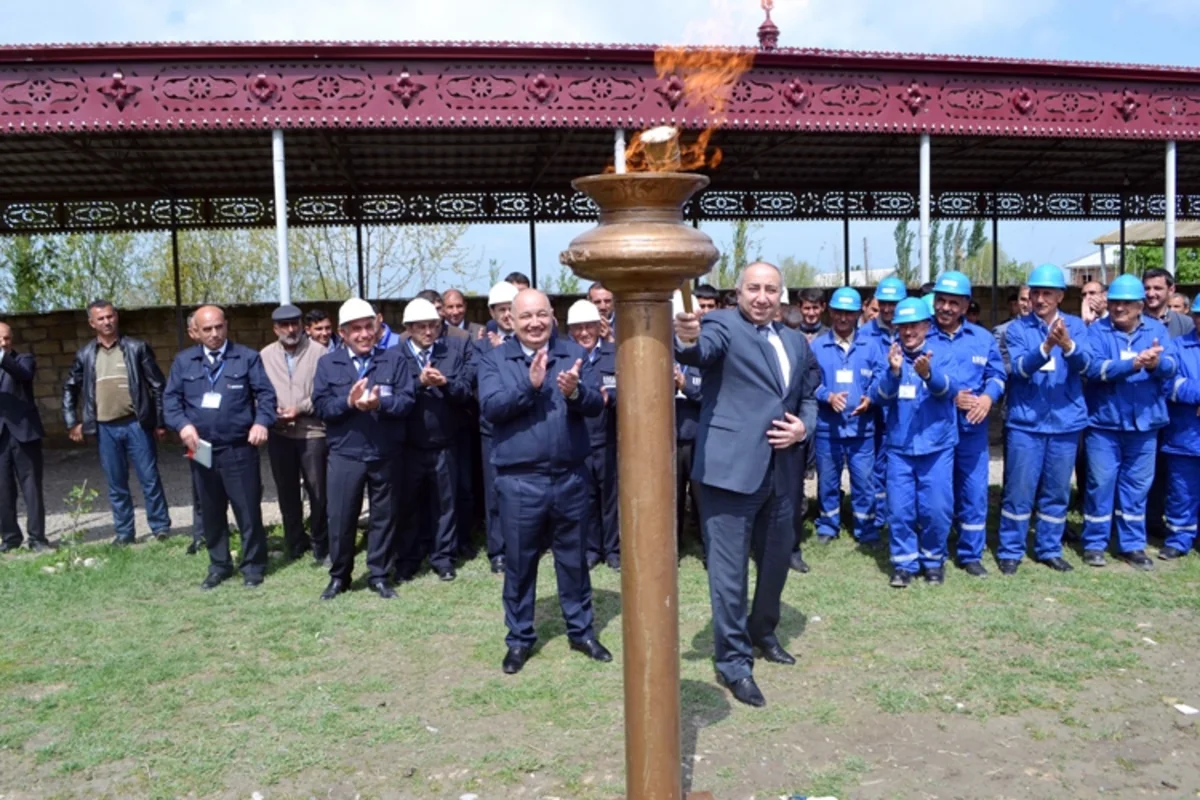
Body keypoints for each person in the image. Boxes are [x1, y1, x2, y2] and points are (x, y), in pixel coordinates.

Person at [674, 261, 818, 709]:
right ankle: (734, 662)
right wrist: (687, 337)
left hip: (782, 472)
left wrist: (804, 428)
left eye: (770, 289)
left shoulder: (794, 340)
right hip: (729, 474)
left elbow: (809, 395)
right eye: (753, 288)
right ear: (738, 293)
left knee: (776, 563)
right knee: (729, 574)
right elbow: (698, 350)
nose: (761, 297)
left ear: (781, 296)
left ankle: (763, 632)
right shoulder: (720, 325)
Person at [478, 288, 611, 675]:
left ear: (553, 316)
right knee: (520, 564)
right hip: (520, 481)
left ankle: (581, 631)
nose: (535, 323)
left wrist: (575, 392)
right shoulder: (494, 359)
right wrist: (530, 386)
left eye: (541, 315)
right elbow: (492, 408)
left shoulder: (572, 352)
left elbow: (596, 405)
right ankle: (519, 639)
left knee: (574, 561)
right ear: (511, 320)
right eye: (526, 317)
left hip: (570, 477)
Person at [164, 306, 276, 590]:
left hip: (238, 446)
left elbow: (266, 395)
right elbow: (171, 402)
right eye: (207, 329)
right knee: (211, 509)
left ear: (226, 325)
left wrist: (261, 422)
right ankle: (219, 565)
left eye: (219, 327)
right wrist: (183, 426)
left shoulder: (246, 358)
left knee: (247, 509)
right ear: (195, 332)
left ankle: (253, 566)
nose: (214, 334)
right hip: (200, 447)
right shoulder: (184, 362)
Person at [313, 299, 415, 600]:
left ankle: (379, 575)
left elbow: (407, 401)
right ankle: (339, 576)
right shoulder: (328, 364)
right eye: (355, 329)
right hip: (346, 454)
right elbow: (321, 406)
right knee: (341, 518)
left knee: (384, 516)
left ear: (377, 327)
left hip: (385, 452)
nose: (364, 334)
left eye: (368, 327)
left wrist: (380, 403)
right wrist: (348, 402)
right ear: (343, 334)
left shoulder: (394, 360)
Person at [996, 265, 1090, 575]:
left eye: (1047, 293)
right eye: (1035, 293)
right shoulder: (1017, 329)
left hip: (1065, 422)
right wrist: (1047, 346)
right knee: (1019, 491)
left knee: (1057, 492)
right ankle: (1011, 550)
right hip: (1026, 423)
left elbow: (1087, 365)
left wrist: (1068, 346)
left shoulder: (1076, 326)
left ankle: (1049, 548)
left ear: (1060, 296)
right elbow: (1020, 369)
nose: (1039, 299)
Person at [1080, 275, 1175, 570]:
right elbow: (1093, 369)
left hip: (1144, 425)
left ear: (1140, 306)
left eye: (1126, 303)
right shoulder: (1097, 332)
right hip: (1104, 424)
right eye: (1114, 303)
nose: (1119, 308)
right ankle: (1094, 543)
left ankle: (1132, 545)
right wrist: (1132, 364)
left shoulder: (1156, 330)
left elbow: (1172, 366)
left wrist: (1156, 364)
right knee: (1100, 484)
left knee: (1137, 487)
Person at [62, 299, 171, 546]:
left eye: (110, 316)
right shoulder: (85, 354)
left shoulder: (136, 348)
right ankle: (124, 533)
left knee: (149, 478)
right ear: (92, 323)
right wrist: (72, 422)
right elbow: (70, 387)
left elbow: (157, 385)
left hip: (136, 425)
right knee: (116, 482)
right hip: (105, 428)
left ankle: (160, 527)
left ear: (117, 317)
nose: (106, 322)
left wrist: (159, 421)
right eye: (100, 318)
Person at [874, 297, 959, 587]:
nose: (908, 332)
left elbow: (951, 390)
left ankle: (933, 561)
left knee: (936, 508)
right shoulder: (891, 354)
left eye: (914, 325)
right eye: (903, 327)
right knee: (900, 509)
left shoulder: (942, 352)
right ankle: (904, 563)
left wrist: (929, 375)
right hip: (900, 447)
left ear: (927, 325)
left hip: (936, 445)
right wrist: (894, 373)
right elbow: (878, 396)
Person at [929, 273, 1006, 577]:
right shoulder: (922, 334)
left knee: (974, 492)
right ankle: (934, 551)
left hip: (972, 430)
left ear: (965, 306)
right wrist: (951, 396)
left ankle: (970, 554)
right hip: (934, 429)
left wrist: (988, 398)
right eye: (941, 301)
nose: (945, 307)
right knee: (938, 494)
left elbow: (997, 376)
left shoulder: (982, 338)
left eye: (953, 302)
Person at [394, 298, 474, 582]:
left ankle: (444, 558)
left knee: (445, 504)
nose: (428, 332)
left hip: (444, 441)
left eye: (433, 326)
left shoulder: (450, 352)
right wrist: (419, 383)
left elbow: (465, 391)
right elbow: (391, 394)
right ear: (408, 328)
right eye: (421, 327)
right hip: (408, 444)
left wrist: (445, 383)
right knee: (408, 504)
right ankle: (408, 559)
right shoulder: (394, 356)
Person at [811, 287, 881, 547]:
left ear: (858, 313)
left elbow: (882, 377)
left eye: (849, 313)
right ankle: (828, 525)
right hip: (827, 429)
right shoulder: (818, 346)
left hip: (861, 429)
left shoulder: (870, 346)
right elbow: (809, 382)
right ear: (830, 312)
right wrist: (827, 396)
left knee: (863, 481)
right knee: (828, 481)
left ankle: (866, 528)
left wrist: (870, 397)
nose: (843, 318)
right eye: (838, 312)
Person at [260, 304, 328, 564]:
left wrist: (300, 408)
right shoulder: (265, 355)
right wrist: (270, 410)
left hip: (312, 432)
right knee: (286, 491)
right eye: (284, 325)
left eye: (295, 324)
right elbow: (259, 391)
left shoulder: (319, 352)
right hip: (280, 433)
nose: (290, 330)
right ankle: (295, 542)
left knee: (318, 491)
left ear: (302, 326)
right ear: (275, 329)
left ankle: (321, 543)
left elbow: (324, 392)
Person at [566, 299, 620, 572]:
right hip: (577, 439)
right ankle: (591, 549)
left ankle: (613, 550)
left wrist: (611, 398)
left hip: (608, 437)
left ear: (600, 327)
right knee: (584, 497)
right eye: (578, 328)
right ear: (570, 330)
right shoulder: (565, 356)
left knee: (610, 497)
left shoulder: (615, 353)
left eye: (589, 326)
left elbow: (628, 388)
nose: (584, 332)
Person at [477, 280, 520, 574]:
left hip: (524, 427)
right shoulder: (481, 346)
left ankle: (525, 544)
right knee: (495, 492)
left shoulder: (531, 342)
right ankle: (498, 551)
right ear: (492, 312)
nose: (506, 315)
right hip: (493, 430)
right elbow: (478, 387)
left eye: (510, 308)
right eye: (501, 309)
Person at [860, 277, 907, 538]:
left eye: (894, 304)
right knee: (876, 466)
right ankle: (878, 517)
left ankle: (901, 513)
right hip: (875, 411)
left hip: (905, 410)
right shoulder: (865, 333)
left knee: (902, 466)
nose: (888, 309)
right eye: (884, 303)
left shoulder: (911, 329)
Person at [0, 322, 49, 553]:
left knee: (32, 488)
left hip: (24, 434)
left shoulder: (23, 359)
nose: (3, 343)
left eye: (7, 338)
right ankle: (10, 538)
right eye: (0, 339)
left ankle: (37, 538)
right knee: (3, 490)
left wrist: (2, 356)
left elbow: (24, 374)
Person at [1160, 295, 1200, 560]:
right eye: (1199, 315)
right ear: (1193, 317)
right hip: (1185, 436)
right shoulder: (1177, 346)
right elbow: (1169, 384)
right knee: (1182, 492)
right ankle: (1179, 538)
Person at [1142, 268, 1195, 339]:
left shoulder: (1186, 324)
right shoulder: (1131, 321)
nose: (1150, 294)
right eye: (1147, 288)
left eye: (1157, 288)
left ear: (1171, 290)